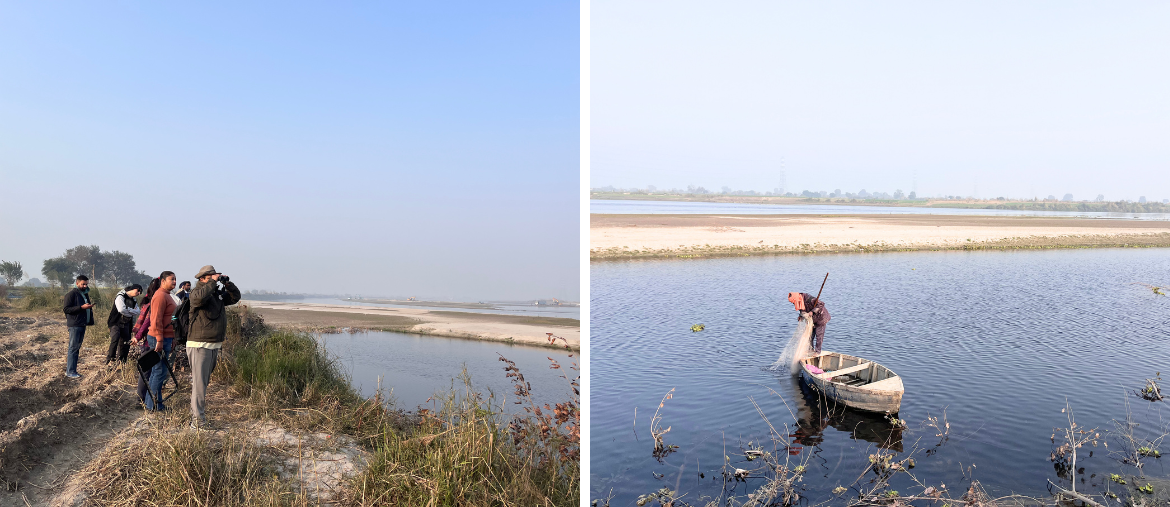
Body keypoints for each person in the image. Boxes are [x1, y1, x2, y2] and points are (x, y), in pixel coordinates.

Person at [186, 265, 240, 430]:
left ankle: (195, 416)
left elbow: (235, 298)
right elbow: (197, 300)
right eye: (210, 276)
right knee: (200, 384)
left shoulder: (215, 294)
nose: (214, 278)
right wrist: (212, 283)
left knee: (202, 383)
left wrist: (227, 284)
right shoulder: (198, 291)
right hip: (199, 344)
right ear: (202, 279)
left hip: (212, 344)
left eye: (215, 276)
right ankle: (198, 422)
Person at [144, 271, 178, 411]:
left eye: (175, 279)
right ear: (163, 281)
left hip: (166, 337)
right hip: (159, 338)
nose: (175, 282)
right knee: (159, 372)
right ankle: (153, 405)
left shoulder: (166, 295)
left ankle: (153, 403)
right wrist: (159, 339)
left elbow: (169, 318)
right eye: (172, 279)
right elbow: (156, 319)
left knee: (158, 371)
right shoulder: (160, 296)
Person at [62, 275, 97, 378]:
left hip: (82, 324)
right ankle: (70, 372)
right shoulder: (71, 294)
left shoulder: (84, 294)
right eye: (83, 284)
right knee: (73, 348)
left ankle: (73, 371)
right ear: (77, 283)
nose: (85, 286)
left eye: (86, 284)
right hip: (75, 325)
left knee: (76, 348)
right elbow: (66, 309)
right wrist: (81, 307)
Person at [105, 283, 142, 365]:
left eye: (140, 292)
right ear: (133, 289)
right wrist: (130, 312)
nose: (139, 293)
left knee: (126, 342)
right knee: (115, 337)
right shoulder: (120, 297)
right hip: (115, 322)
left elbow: (138, 312)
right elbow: (121, 309)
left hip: (126, 323)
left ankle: (122, 361)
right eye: (138, 290)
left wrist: (128, 310)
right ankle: (111, 358)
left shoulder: (134, 300)